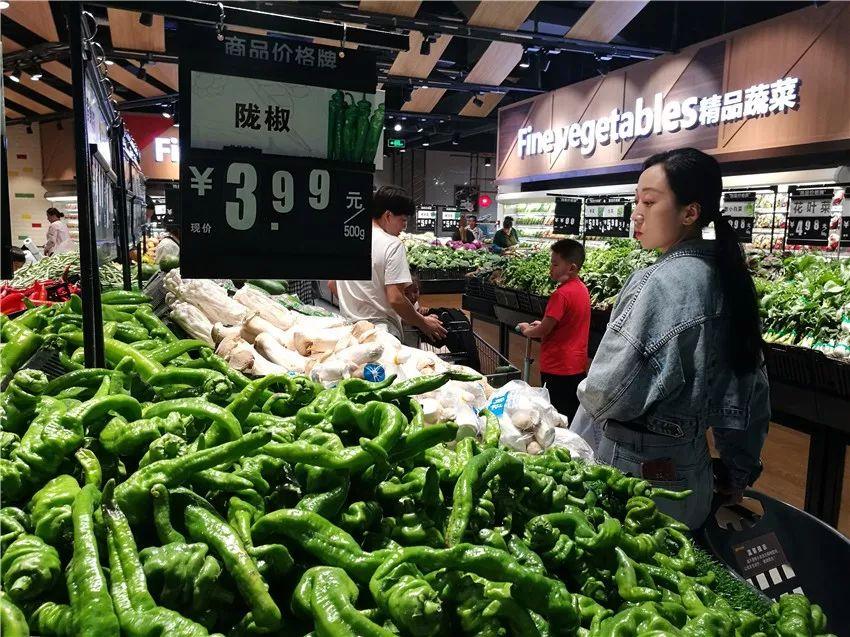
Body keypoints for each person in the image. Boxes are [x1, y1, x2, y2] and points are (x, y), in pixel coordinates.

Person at [570, 148, 770, 530]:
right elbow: (751, 395)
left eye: (649, 202)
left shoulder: (657, 283)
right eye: (636, 201)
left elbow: (606, 393)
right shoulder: (732, 280)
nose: (636, 213)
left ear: (690, 213)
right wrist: (738, 471)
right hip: (692, 474)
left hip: (634, 478)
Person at [330, 185, 447, 342]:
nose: (404, 226)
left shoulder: (349, 240)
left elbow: (332, 284)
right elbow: (396, 298)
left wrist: (357, 306)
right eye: (403, 220)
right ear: (388, 215)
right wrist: (423, 322)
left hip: (350, 331)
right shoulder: (392, 244)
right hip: (381, 333)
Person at [517, 239, 590, 422]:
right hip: (577, 365)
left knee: (556, 416)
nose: (551, 267)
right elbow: (564, 322)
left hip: (557, 367)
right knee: (571, 415)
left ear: (571, 268)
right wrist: (541, 324)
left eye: (555, 264)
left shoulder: (561, 295)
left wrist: (527, 330)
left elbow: (543, 330)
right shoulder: (582, 289)